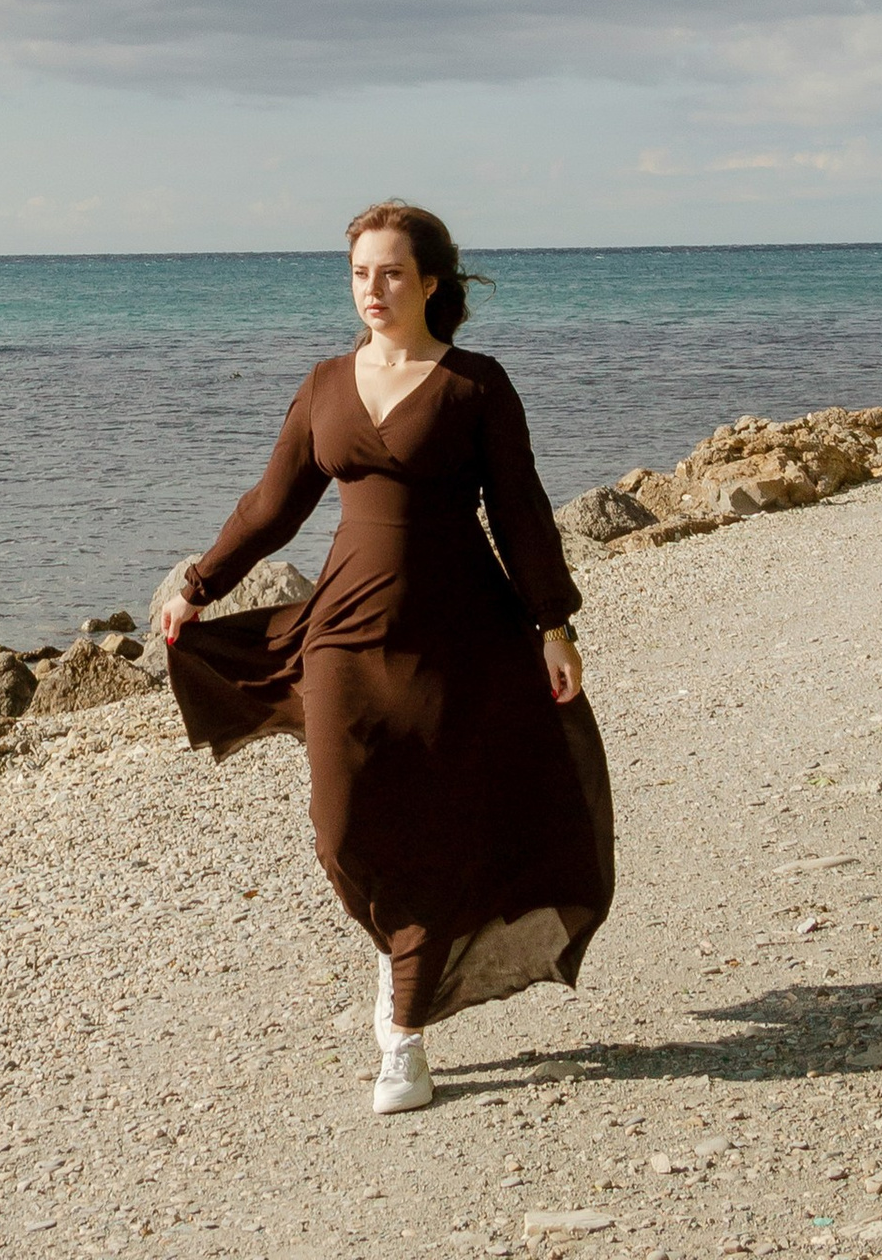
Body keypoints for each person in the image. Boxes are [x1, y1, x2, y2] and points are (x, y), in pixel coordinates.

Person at [162, 201, 616, 1116]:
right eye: (360, 273)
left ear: (431, 282)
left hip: (458, 633)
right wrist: (198, 584)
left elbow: (520, 509)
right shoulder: (326, 384)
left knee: (442, 819)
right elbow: (272, 507)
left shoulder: (475, 385)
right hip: (342, 631)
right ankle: (399, 947)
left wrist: (553, 624)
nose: (373, 289)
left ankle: (405, 1037)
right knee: (340, 830)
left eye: (392, 273)